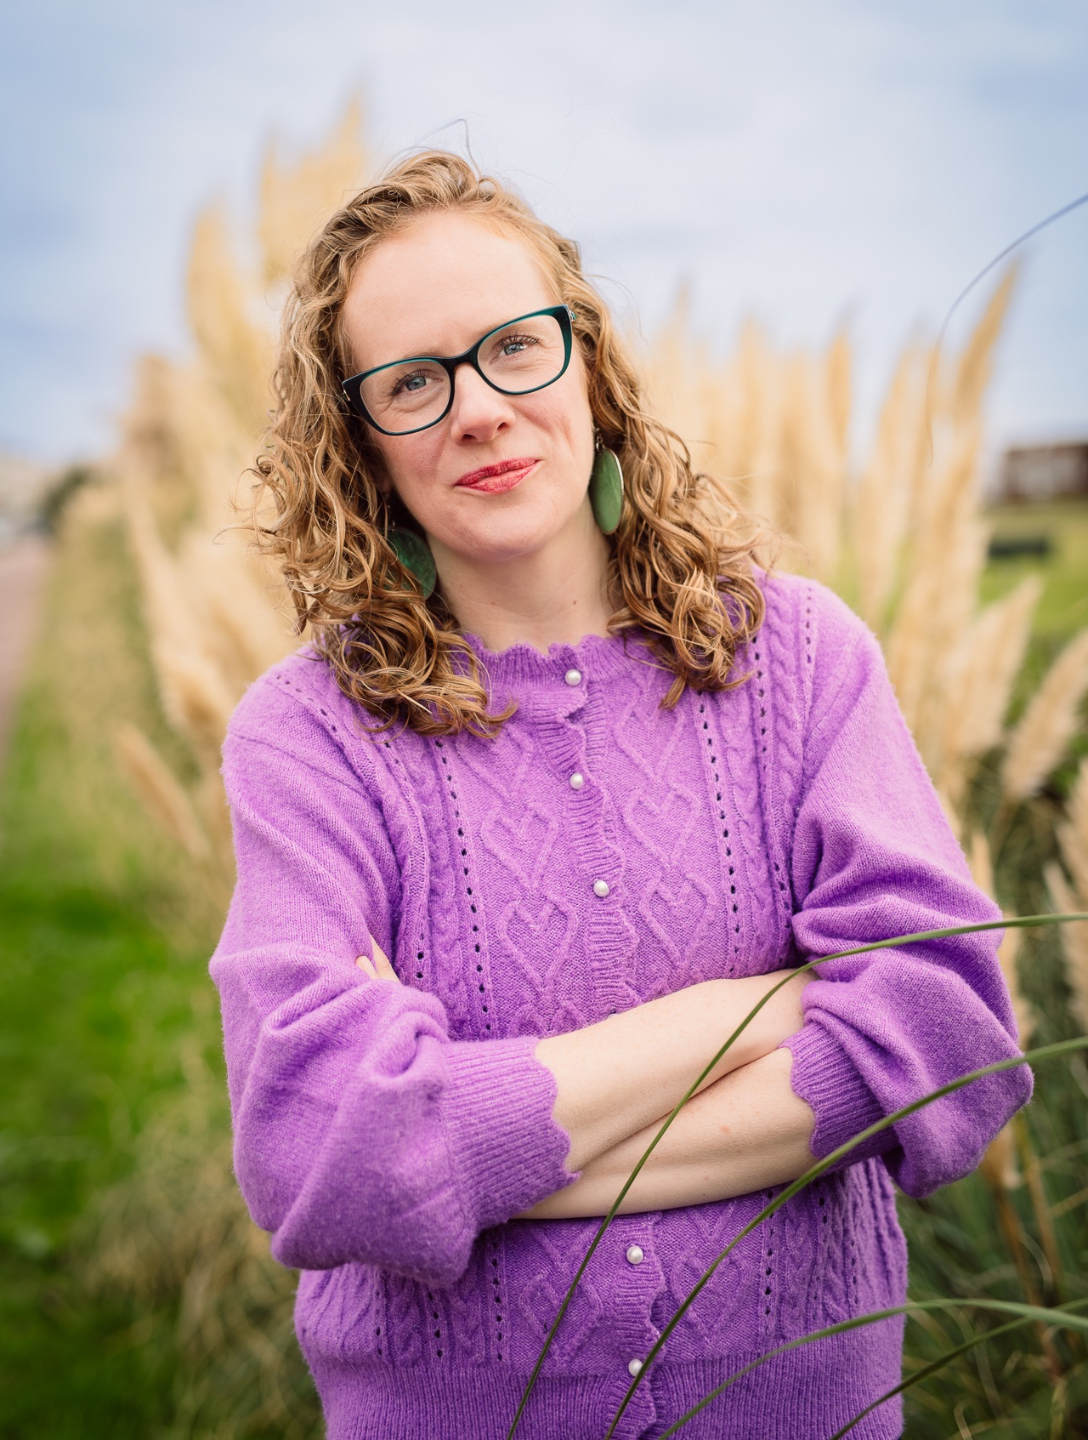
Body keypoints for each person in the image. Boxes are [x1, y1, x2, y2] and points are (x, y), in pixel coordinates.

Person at [209, 150, 1031, 1440]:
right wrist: (748, 1009)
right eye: (411, 383)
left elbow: (946, 1032)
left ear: (588, 361)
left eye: (513, 348)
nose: (477, 409)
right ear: (359, 441)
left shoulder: (802, 660)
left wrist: (469, 1163)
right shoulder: (311, 737)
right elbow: (320, 1155)